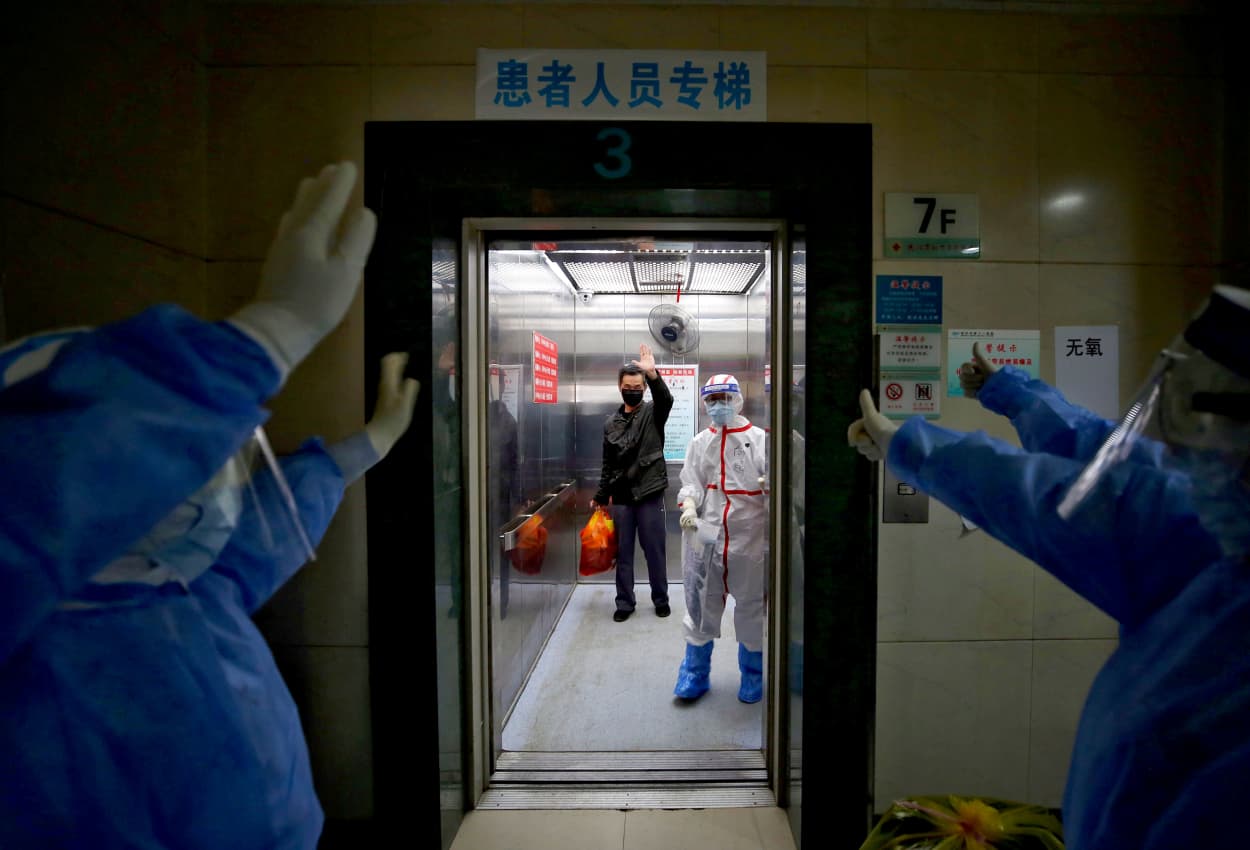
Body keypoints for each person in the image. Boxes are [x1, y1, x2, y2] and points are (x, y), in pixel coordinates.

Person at [0, 162, 420, 849]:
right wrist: (255, 344)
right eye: (170, 464)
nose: (206, 496)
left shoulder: (183, 593)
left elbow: (256, 540)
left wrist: (362, 450)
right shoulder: (40, 643)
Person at [848, 285, 1250, 850]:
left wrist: (916, 448)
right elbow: (1107, 477)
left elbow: (1077, 498)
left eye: (1217, 443)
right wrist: (1013, 396)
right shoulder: (1221, 557)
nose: (1201, 464)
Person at [672, 374, 769, 703]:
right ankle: (694, 675)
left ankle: (753, 677)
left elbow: (773, 488)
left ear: (738, 400)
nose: (717, 406)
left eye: (723, 399)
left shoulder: (759, 440)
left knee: (752, 607)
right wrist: (687, 504)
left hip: (749, 537)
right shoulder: (700, 442)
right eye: (711, 400)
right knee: (700, 604)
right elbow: (691, 482)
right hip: (707, 535)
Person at [591, 342, 673, 622]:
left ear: (644, 388)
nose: (634, 390)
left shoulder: (653, 413)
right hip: (622, 498)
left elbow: (666, 400)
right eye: (629, 386)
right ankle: (625, 602)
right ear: (620, 386)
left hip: (650, 493)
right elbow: (608, 463)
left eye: (639, 387)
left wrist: (653, 374)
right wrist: (601, 495)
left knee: (655, 552)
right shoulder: (610, 423)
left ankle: (660, 599)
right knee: (623, 554)